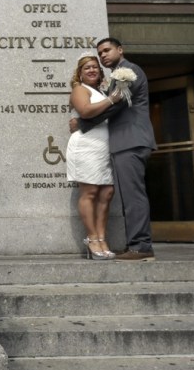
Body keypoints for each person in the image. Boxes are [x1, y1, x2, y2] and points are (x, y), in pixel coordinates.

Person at [72, 38, 157, 261]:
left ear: (120, 50)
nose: (103, 56)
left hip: (131, 140)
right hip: (122, 143)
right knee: (129, 195)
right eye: (100, 53)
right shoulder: (114, 76)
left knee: (133, 196)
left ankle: (140, 247)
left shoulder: (128, 70)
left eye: (107, 50)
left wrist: (82, 123)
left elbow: (117, 105)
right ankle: (137, 244)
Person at [65, 53, 121, 260]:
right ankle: (92, 239)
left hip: (103, 147)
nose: (91, 70)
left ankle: (102, 237)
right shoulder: (80, 89)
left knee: (106, 192)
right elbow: (86, 111)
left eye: (94, 67)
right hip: (86, 146)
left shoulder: (102, 91)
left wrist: (109, 97)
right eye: (86, 67)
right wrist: (111, 100)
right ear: (79, 73)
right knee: (89, 193)